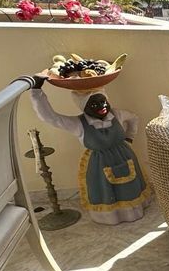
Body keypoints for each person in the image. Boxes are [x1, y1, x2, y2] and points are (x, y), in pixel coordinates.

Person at [29, 77, 152, 224]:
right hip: (99, 162)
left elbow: (133, 118)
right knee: (105, 190)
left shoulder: (117, 114)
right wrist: (36, 92)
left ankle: (133, 211)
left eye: (103, 101)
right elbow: (52, 118)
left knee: (129, 187)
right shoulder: (78, 124)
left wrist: (129, 136)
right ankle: (113, 216)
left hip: (125, 156)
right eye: (94, 104)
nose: (102, 106)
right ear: (84, 107)